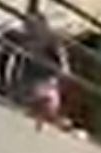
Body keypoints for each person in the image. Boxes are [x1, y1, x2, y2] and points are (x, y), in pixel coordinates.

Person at [19, 0, 66, 129]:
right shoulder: (27, 39)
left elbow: (61, 60)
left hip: (46, 76)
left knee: (46, 98)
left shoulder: (49, 38)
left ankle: (45, 116)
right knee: (38, 97)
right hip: (35, 77)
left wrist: (60, 72)